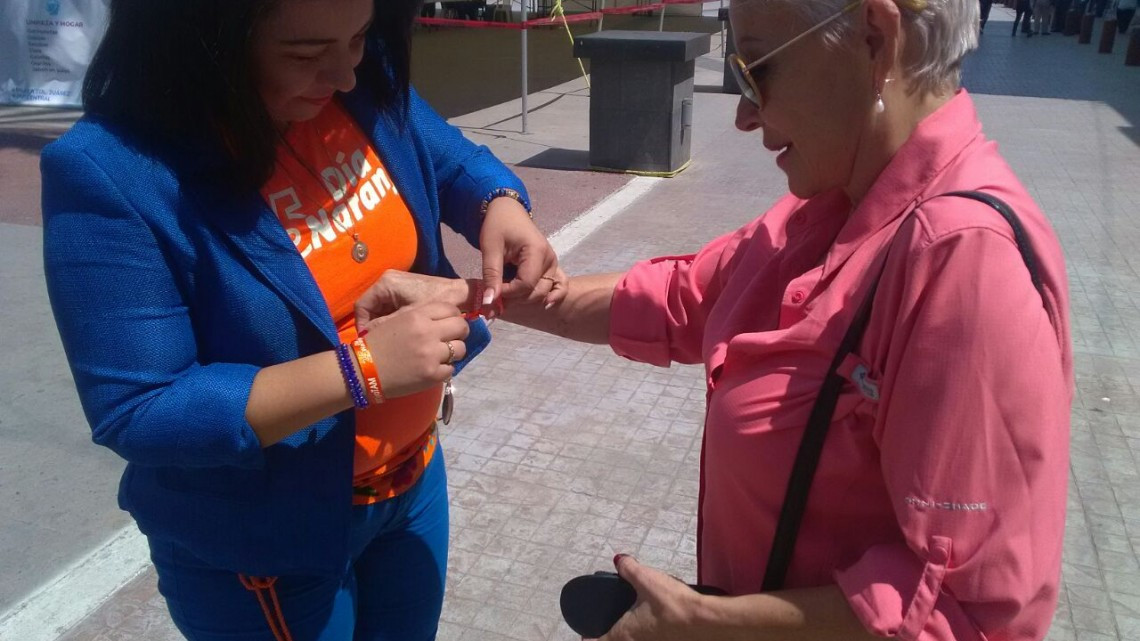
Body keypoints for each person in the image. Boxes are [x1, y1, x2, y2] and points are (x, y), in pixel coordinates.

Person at [370, 0, 1074, 639]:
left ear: (874, 37)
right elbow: (678, 298)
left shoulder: (965, 264)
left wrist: (707, 622)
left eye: (757, 67)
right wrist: (466, 297)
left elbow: (972, 611)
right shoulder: (837, 203)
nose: (742, 113)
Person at [40, 0, 564, 639]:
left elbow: (447, 156)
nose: (343, 74)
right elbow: (141, 409)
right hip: (271, 534)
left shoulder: (362, 80)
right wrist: (363, 369)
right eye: (304, 54)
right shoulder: (114, 172)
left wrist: (498, 203)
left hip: (412, 478)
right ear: (203, 39)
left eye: (361, 36)